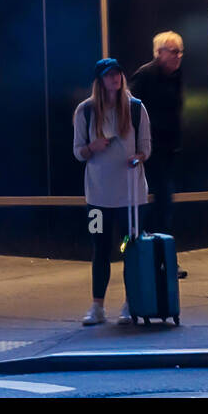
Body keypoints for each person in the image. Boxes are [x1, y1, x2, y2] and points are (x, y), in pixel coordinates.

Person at [73, 58, 151, 326]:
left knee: (130, 248)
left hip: (131, 195)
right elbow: (78, 152)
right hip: (98, 196)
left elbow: (146, 147)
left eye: (117, 74)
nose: (114, 79)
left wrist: (138, 157)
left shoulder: (136, 108)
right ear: (100, 81)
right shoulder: (85, 111)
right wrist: (92, 147)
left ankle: (131, 302)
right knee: (100, 248)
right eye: (108, 76)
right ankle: (98, 306)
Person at [128, 32, 185, 251]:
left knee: (164, 205)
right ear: (159, 52)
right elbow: (131, 111)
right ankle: (143, 252)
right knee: (154, 205)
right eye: (173, 52)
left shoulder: (176, 76)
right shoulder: (145, 75)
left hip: (168, 151)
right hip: (150, 153)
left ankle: (162, 255)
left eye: (180, 52)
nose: (178, 56)